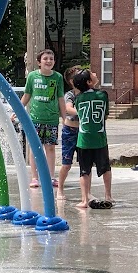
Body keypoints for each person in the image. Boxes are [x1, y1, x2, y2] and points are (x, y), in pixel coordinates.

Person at [19, 49, 66, 188]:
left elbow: (61, 98)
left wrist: (64, 117)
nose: (49, 61)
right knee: (35, 148)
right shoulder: (33, 76)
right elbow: (27, 95)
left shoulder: (57, 77)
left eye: (51, 59)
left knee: (50, 148)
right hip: (35, 118)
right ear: (39, 62)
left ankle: (51, 177)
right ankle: (34, 177)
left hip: (51, 119)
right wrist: (18, 110)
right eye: (45, 59)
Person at [73, 68, 114, 210]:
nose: (96, 74)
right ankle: (108, 196)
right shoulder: (103, 95)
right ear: (90, 82)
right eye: (92, 74)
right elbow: (106, 115)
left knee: (84, 170)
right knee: (105, 168)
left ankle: (84, 200)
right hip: (100, 138)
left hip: (83, 140)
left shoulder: (78, 99)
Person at [56, 65, 82, 201]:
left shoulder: (88, 93)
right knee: (66, 164)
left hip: (83, 131)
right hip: (70, 131)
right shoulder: (70, 94)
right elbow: (68, 109)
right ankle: (60, 188)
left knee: (85, 164)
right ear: (72, 81)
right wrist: (83, 113)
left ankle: (86, 193)